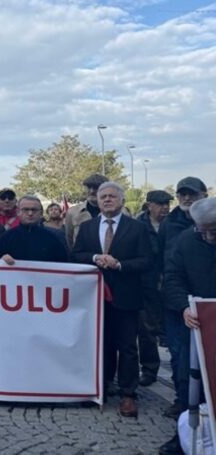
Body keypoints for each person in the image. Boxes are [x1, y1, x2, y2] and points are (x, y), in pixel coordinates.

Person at [71, 182, 153, 418]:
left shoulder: (136, 228)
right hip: (94, 298)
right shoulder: (87, 228)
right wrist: (96, 257)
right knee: (100, 343)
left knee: (127, 346)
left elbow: (147, 260)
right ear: (97, 199)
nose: (107, 200)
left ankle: (128, 394)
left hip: (126, 296)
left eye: (112, 197)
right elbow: (76, 256)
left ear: (122, 201)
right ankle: (102, 386)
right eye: (103, 196)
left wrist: (120, 264)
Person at [158, 198, 216, 454]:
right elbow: (172, 278)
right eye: (202, 231)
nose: (207, 237)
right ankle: (187, 433)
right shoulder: (184, 241)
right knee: (186, 377)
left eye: (213, 232)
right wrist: (183, 306)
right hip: (189, 322)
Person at [160, 177, 209, 419]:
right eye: (182, 194)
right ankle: (185, 409)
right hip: (180, 309)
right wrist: (182, 306)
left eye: (192, 194)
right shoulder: (173, 229)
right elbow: (170, 272)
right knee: (182, 361)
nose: (186, 199)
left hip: (210, 310)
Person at [135, 190, 172, 388]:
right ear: (149, 205)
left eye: (167, 203)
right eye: (160, 204)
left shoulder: (173, 224)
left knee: (169, 329)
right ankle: (149, 369)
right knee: (146, 329)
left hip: (169, 283)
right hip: (146, 284)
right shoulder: (138, 225)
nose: (164, 207)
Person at [0, 196, 68, 264]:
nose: (30, 213)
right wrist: (1, 261)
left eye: (34, 210)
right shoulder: (6, 238)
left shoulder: (54, 238)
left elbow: (65, 265)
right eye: (25, 210)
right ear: (18, 212)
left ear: (41, 213)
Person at [65, 173, 108, 250]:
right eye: (89, 187)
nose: (91, 191)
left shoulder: (119, 212)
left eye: (96, 187)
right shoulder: (72, 212)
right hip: (81, 260)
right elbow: (69, 240)